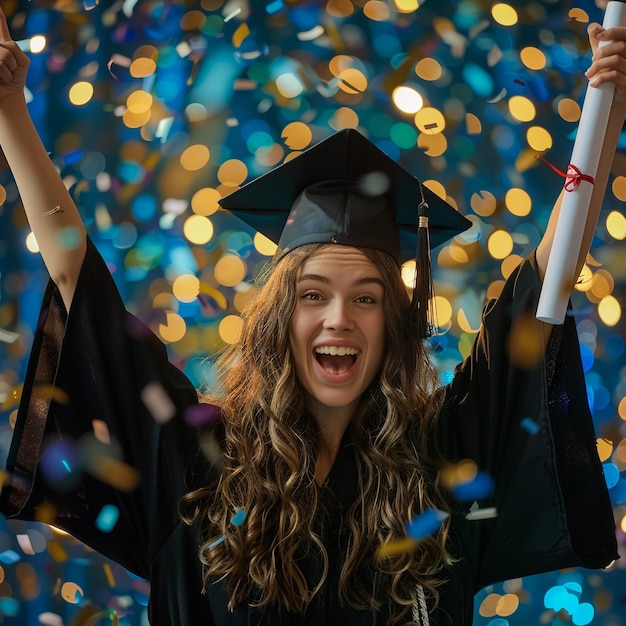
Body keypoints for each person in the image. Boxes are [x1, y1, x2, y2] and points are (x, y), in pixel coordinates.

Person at [0, 6, 622, 625]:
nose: (339, 319)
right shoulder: (192, 466)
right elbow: (75, 277)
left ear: (395, 328)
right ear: (279, 320)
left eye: (368, 298)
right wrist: (9, 112)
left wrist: (608, 105)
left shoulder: (444, 468)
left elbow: (549, 286)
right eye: (313, 294)